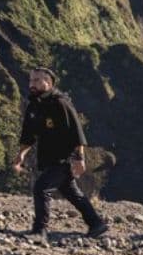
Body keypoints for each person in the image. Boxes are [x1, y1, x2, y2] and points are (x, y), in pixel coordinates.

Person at [12, 66, 109, 242]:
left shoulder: (60, 103)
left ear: (48, 83)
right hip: (48, 158)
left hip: (63, 159)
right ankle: (96, 223)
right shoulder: (35, 104)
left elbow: (76, 132)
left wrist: (79, 158)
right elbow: (28, 134)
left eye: (37, 80)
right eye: (31, 80)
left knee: (41, 189)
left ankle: (40, 231)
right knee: (72, 193)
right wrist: (21, 155)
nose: (31, 84)